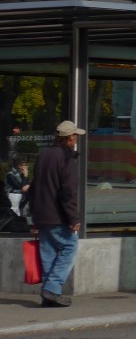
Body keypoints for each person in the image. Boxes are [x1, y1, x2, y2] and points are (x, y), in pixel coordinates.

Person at [29, 120, 86, 307]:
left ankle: (48, 296)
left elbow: (35, 186)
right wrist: (74, 217)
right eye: (75, 136)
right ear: (69, 137)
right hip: (57, 215)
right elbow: (68, 191)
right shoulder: (66, 157)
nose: (76, 139)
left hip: (42, 214)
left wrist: (33, 215)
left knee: (49, 253)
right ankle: (52, 288)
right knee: (69, 247)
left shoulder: (44, 155)